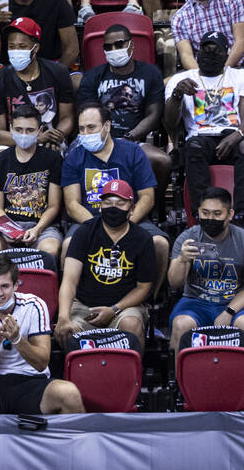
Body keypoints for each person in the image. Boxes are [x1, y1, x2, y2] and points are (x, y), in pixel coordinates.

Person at [0, 254, 84, 415]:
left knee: (70, 394)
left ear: (16, 285)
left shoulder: (34, 305)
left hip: (31, 380)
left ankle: (75, 441)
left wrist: (17, 339)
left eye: (5, 286)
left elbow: (41, 363)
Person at [61, 102, 168, 278]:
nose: (85, 134)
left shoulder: (132, 152)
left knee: (160, 244)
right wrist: (99, 229)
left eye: (91, 127)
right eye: (81, 129)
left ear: (107, 126)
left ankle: (153, 300)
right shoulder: (74, 157)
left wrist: (124, 225)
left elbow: (147, 198)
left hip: (131, 219)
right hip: (89, 221)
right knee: (68, 245)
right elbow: (72, 204)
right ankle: (75, 300)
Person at [165, 31, 244, 217]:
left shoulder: (242, 77)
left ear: (226, 54)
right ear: (198, 52)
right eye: (206, 50)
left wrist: (233, 139)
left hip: (234, 136)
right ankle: (201, 213)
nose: (210, 54)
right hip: (200, 139)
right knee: (193, 148)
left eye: (216, 51)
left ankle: (241, 213)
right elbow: (170, 123)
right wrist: (177, 95)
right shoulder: (180, 79)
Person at [54, 179, 155, 347]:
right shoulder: (84, 232)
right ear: (100, 206)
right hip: (85, 305)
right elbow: (69, 280)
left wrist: (114, 309)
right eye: (107, 203)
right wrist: (63, 317)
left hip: (123, 308)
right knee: (67, 331)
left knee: (132, 325)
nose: (113, 208)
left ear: (132, 209)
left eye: (120, 203)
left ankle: (132, 372)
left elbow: (143, 287)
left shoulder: (142, 238)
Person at [168, 187, 244, 350]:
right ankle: (178, 375)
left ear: (230, 214)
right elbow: (174, 282)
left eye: (217, 214)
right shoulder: (187, 238)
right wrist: (182, 260)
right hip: (196, 302)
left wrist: (229, 312)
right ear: (198, 212)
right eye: (205, 213)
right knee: (180, 325)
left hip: (235, 302)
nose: (210, 218)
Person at [76, 22, 171, 187]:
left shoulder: (150, 73)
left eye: (119, 44)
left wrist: (130, 137)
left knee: (163, 161)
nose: (114, 50)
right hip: (98, 138)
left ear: (131, 44)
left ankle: (157, 210)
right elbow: (87, 113)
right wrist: (106, 140)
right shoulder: (93, 76)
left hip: (134, 139)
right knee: (71, 159)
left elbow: (154, 114)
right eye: (108, 47)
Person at [0, 18, 75, 174]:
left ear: (35, 48)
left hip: (50, 139)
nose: (16, 51)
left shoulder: (58, 72)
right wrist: (36, 139)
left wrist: (57, 135)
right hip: (11, 142)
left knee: (54, 155)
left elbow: (68, 117)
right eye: (11, 47)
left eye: (22, 46)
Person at [0, 103, 63, 260]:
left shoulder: (53, 159)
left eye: (30, 130)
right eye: (19, 130)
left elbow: (54, 206)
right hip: (7, 225)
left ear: (40, 131)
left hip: (42, 225)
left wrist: (37, 230)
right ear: (11, 128)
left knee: (49, 250)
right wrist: (8, 230)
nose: (24, 135)